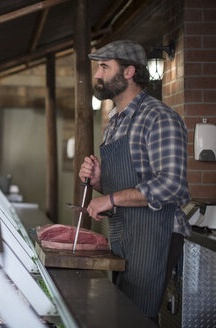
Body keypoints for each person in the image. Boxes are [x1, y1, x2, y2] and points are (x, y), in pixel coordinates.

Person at [79, 40, 190, 323]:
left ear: (129, 72)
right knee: (122, 314)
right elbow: (128, 184)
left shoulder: (159, 117)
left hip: (156, 234)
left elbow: (171, 184)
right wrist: (100, 182)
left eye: (104, 66)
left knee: (137, 318)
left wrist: (111, 199)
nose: (97, 74)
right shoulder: (116, 121)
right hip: (124, 233)